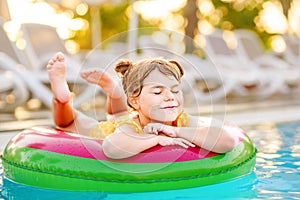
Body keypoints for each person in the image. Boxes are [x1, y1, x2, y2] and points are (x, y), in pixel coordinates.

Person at [47, 52, 240, 159]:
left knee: (119, 113)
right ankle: (63, 97)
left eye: (174, 90)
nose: (169, 97)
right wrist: (156, 140)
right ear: (135, 100)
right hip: (111, 127)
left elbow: (228, 141)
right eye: (158, 92)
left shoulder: (180, 119)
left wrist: (174, 132)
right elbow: (112, 148)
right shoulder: (129, 127)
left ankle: (114, 91)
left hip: (126, 113)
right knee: (70, 122)